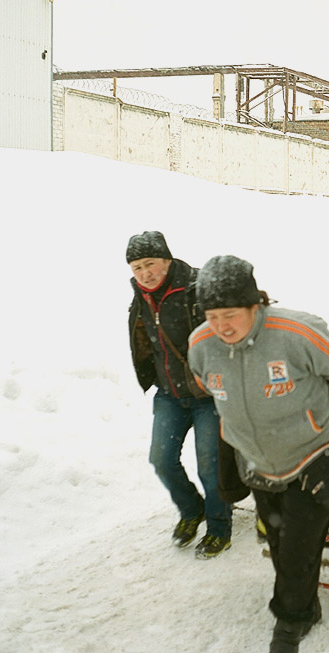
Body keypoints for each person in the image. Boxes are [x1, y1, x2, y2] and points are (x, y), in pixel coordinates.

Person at [188, 256, 329, 653]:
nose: (221, 326)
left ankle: (288, 628)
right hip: (258, 462)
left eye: (230, 314)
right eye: (212, 316)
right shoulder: (202, 345)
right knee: (279, 539)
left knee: (298, 543)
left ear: (255, 305)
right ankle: (306, 605)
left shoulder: (296, 333)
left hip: (315, 455)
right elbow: (207, 385)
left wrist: (312, 420)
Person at [126, 231, 232, 558]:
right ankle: (191, 510)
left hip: (206, 396)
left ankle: (218, 527)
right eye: (136, 267)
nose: (144, 273)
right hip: (169, 394)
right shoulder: (140, 298)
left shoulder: (195, 289)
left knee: (210, 467)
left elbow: (225, 334)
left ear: (167, 261)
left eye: (150, 264)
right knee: (161, 460)